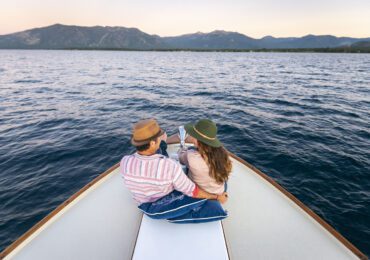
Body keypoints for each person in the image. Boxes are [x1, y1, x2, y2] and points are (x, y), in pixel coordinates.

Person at [120, 118, 228, 222]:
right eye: (159, 136)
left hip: (143, 201)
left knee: (162, 147)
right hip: (164, 199)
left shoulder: (124, 162)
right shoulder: (170, 166)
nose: (161, 137)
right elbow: (192, 191)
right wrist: (217, 197)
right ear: (152, 143)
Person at [168, 119, 232, 195]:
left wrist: (183, 150)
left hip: (202, 191)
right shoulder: (223, 154)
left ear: (197, 140)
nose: (191, 136)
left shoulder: (191, 156)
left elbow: (180, 157)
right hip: (219, 190)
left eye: (193, 135)